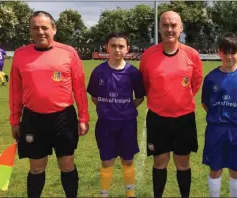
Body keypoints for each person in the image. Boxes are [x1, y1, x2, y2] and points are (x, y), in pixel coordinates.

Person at [9, 11, 89, 198]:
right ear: (30, 31)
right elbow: (15, 91)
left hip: (63, 117)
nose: (40, 31)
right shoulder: (21, 55)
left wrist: (83, 117)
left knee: (67, 163)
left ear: (54, 29)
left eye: (45, 27)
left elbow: (79, 88)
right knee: (36, 168)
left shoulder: (69, 53)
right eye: (35, 28)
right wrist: (15, 120)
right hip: (33, 118)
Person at [139, 10, 203, 198]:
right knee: (159, 162)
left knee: (183, 163)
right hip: (158, 118)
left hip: (184, 119)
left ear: (181, 28)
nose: (169, 29)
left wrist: (179, 100)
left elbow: (196, 83)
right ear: (159, 28)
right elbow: (145, 84)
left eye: (173, 25)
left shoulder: (192, 55)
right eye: (165, 25)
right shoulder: (149, 55)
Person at [87, 32, 145, 198]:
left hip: (127, 123)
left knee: (127, 160)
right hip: (105, 124)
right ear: (107, 47)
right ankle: (104, 194)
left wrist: (125, 107)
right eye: (113, 46)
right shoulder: (98, 71)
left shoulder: (133, 72)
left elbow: (139, 97)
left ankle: (130, 195)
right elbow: (95, 97)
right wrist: (109, 108)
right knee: (107, 162)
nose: (117, 49)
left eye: (121, 46)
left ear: (127, 49)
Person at [201, 33, 237, 197]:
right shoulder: (211, 78)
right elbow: (205, 104)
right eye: (225, 52)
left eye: (233, 52)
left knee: (236, 168)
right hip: (215, 130)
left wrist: (235, 116)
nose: (229, 56)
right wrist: (220, 116)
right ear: (219, 52)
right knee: (215, 168)